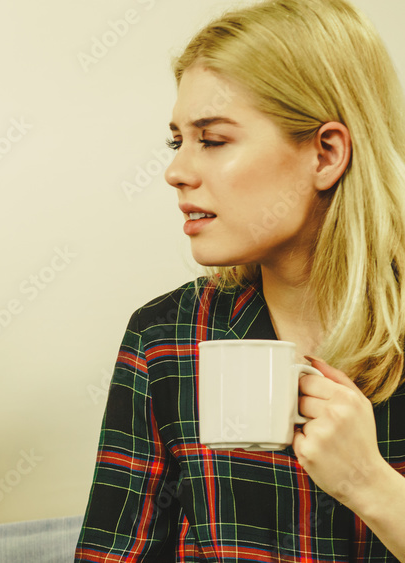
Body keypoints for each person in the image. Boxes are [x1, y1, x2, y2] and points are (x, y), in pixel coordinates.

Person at [75, 0, 405, 560]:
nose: (176, 171)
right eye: (176, 140)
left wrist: (371, 485)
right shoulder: (165, 339)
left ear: (326, 154)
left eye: (214, 139)